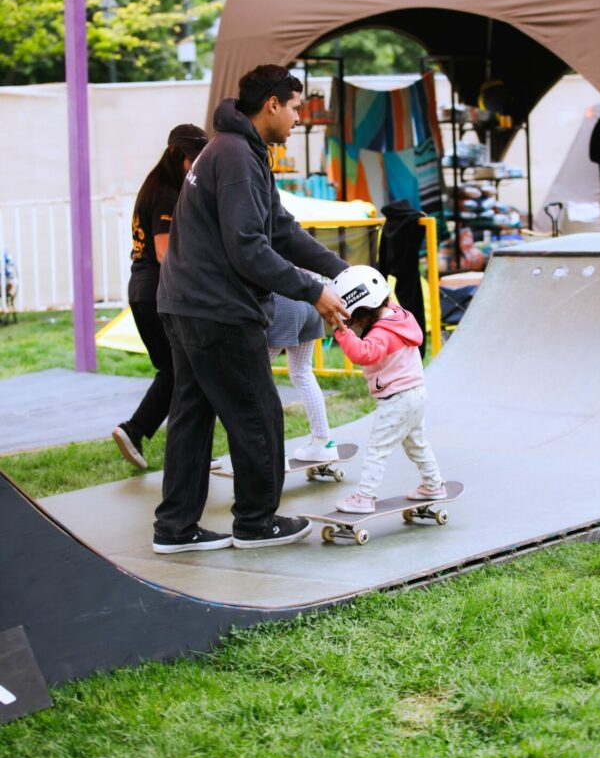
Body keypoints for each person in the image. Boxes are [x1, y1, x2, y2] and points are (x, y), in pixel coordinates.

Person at [153, 64, 349, 554]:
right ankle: (257, 523)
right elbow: (248, 248)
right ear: (272, 105)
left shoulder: (235, 149)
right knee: (258, 413)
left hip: (185, 302)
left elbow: (279, 227)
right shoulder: (237, 154)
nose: (299, 118)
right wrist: (312, 290)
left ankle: (175, 529)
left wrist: (340, 271)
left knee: (192, 415)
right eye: (297, 107)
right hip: (216, 308)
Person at [112, 124, 208, 469]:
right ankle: (140, 431)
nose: (194, 168)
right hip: (156, 291)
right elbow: (165, 252)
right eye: (191, 161)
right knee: (180, 370)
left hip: (142, 289)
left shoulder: (152, 186)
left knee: (175, 370)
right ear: (176, 156)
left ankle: (146, 434)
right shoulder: (167, 192)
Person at [329, 265, 445, 514]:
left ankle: (364, 497)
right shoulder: (399, 315)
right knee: (417, 444)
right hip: (416, 392)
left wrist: (341, 331)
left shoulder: (381, 333)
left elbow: (363, 353)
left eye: (355, 318)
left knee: (377, 449)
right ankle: (433, 484)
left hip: (397, 399)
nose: (355, 324)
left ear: (367, 308)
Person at [267, 289, 339, 465]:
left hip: (285, 302)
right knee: (303, 373)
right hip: (313, 303)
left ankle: (273, 453)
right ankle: (322, 443)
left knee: (255, 373)